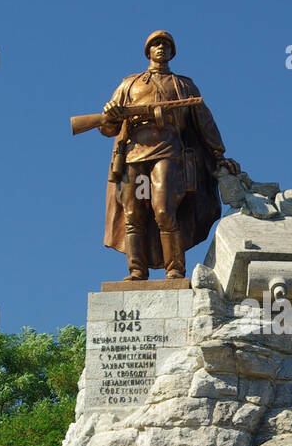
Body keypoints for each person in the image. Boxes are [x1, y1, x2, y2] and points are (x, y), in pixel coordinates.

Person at [98, 31, 240, 280]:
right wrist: (110, 114)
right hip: (134, 156)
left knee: (164, 210)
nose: (161, 47)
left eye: (165, 44)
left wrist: (219, 155)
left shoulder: (183, 85)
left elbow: (204, 123)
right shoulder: (129, 84)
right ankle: (136, 271)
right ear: (148, 51)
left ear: (172, 52)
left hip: (168, 153)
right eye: (155, 44)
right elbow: (107, 128)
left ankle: (174, 269)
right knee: (133, 214)